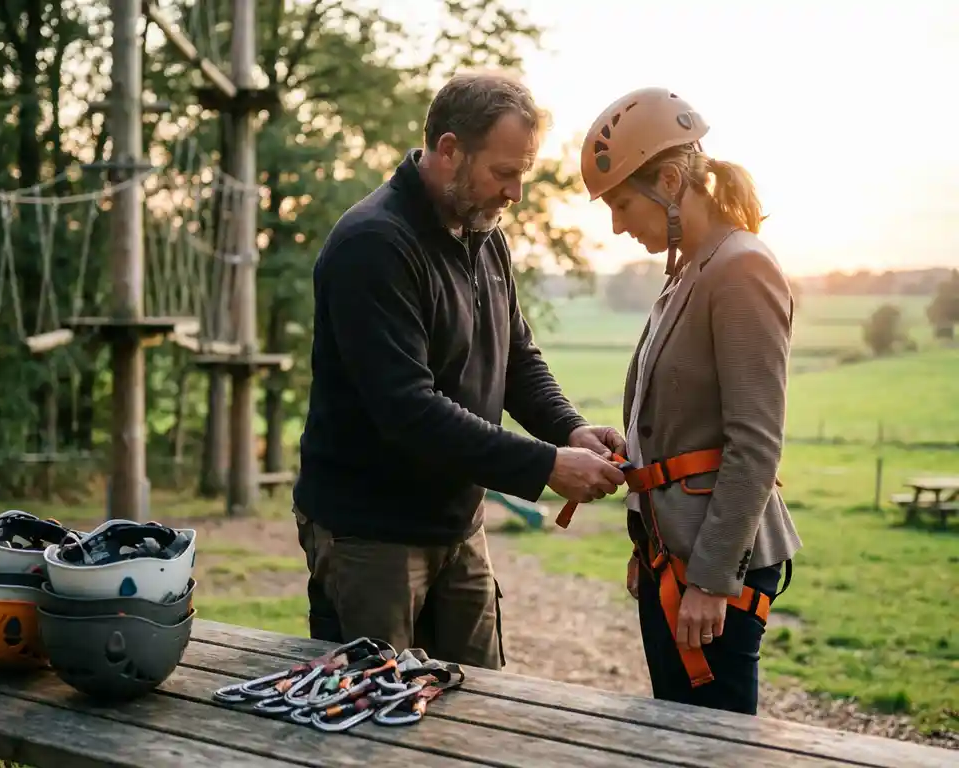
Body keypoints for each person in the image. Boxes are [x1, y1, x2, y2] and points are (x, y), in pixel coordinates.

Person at [292, 71, 628, 670]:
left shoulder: (482, 234)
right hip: (370, 536)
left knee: (480, 709)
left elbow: (516, 358)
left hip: (458, 527)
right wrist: (547, 465)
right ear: (449, 151)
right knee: (373, 719)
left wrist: (568, 430)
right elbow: (408, 409)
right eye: (504, 172)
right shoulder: (373, 245)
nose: (516, 193)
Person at [577, 87, 802, 715]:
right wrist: (647, 537)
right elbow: (678, 421)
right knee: (672, 736)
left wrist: (708, 579)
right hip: (669, 555)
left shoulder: (741, 268)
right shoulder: (691, 270)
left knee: (713, 747)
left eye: (622, 203)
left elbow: (754, 442)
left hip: (713, 571)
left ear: (672, 180)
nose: (618, 224)